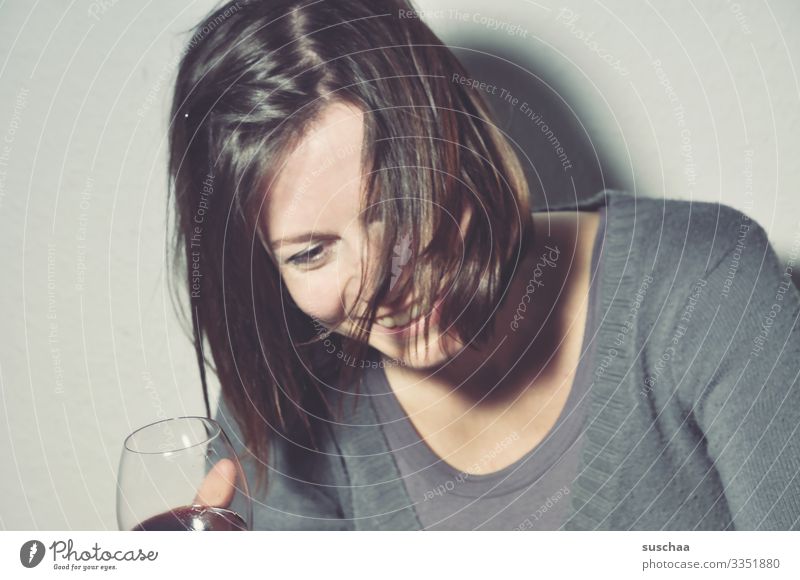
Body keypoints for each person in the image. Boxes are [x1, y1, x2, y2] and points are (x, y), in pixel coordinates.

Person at [168, 0, 800, 530]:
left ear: (458, 131)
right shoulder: (284, 407)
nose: (377, 283)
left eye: (396, 202)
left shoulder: (704, 290)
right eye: (310, 252)